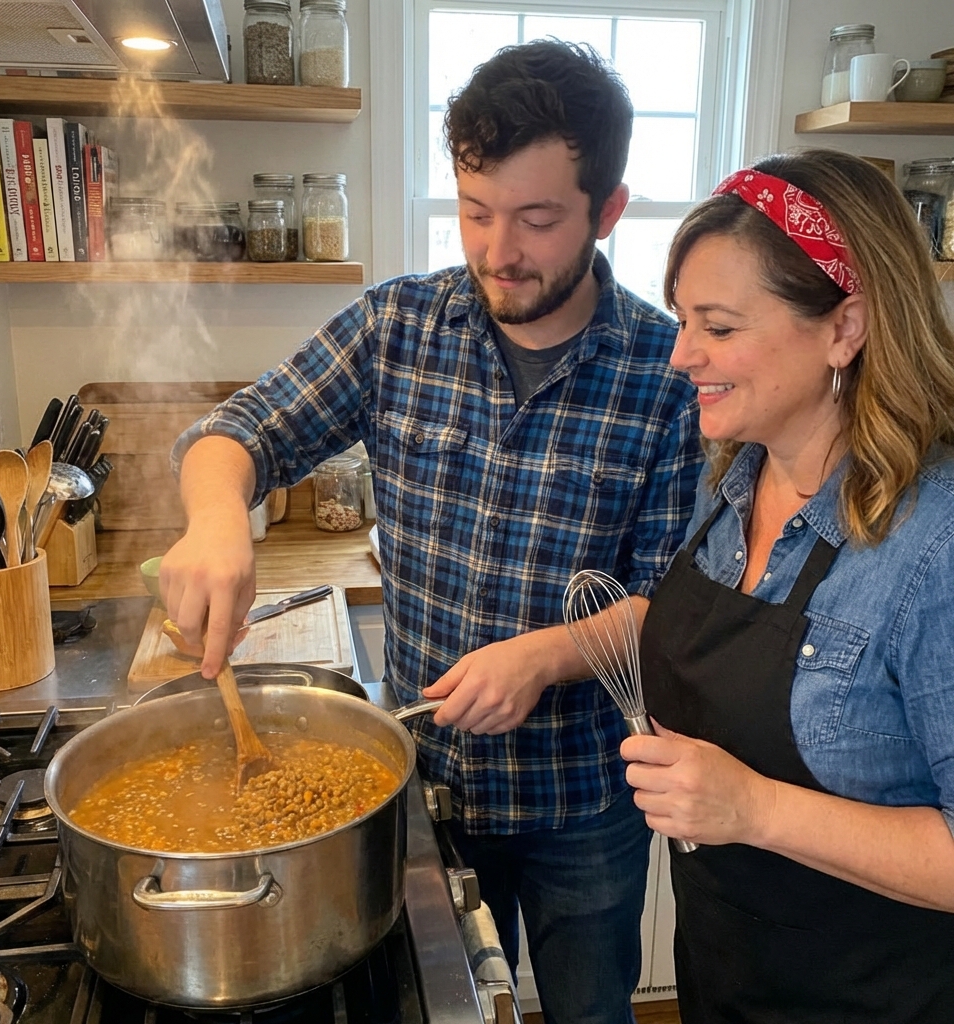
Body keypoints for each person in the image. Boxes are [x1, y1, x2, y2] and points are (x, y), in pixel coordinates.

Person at [162, 41, 702, 1024]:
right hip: (423, 795)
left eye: (537, 220)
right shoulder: (396, 329)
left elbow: (677, 611)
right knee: (435, 1008)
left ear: (606, 211)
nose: (498, 250)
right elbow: (232, 432)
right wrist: (214, 522)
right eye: (475, 210)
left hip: (584, 803)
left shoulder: (669, 376)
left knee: (591, 1012)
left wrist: (544, 656)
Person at [616, 149, 954, 1022]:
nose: (682, 355)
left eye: (719, 327)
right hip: (728, 974)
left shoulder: (936, 545)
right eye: (682, 320)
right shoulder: (732, 477)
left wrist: (752, 808)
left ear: (846, 328)